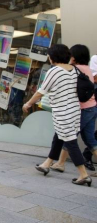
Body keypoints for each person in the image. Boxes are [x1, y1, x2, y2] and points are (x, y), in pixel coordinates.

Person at [23, 44, 91, 187]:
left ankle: (84, 175)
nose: (48, 57)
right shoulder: (74, 70)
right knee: (59, 137)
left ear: (53, 56)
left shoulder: (54, 71)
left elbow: (41, 91)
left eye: (49, 55)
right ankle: (47, 163)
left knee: (70, 142)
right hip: (74, 112)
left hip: (63, 112)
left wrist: (28, 103)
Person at [47, 45, 97, 176]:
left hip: (82, 109)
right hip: (92, 107)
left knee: (69, 137)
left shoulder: (75, 70)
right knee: (90, 140)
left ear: (74, 57)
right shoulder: (88, 69)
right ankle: (59, 163)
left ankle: (62, 164)